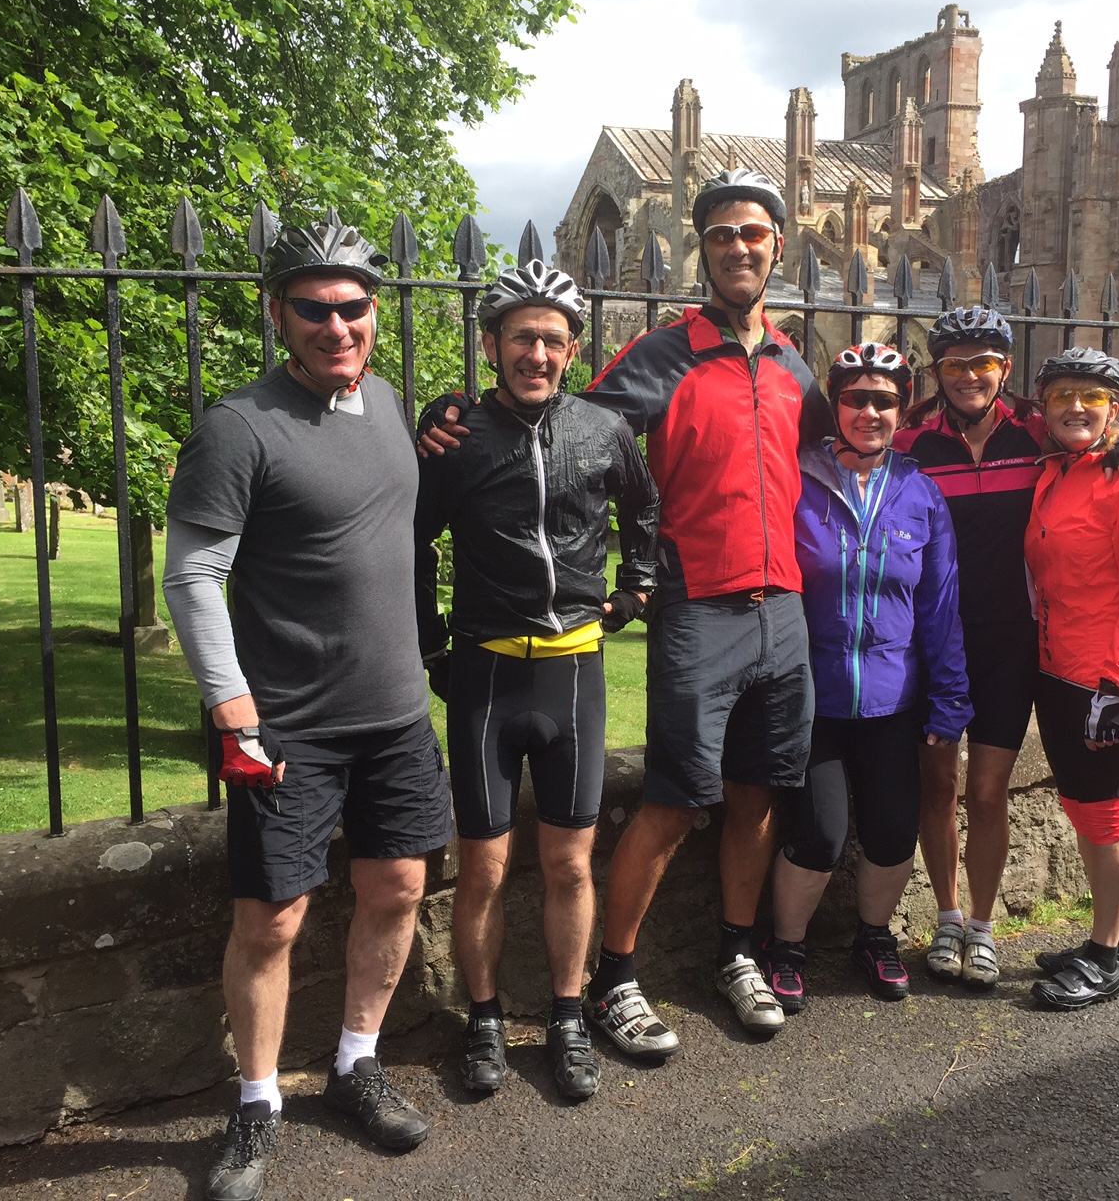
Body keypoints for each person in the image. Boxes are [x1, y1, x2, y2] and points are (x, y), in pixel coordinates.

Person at [420, 168, 829, 1054]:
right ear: (703, 249)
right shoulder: (664, 354)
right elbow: (564, 424)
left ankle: (734, 951)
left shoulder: (798, 363)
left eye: (754, 233)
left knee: (759, 797)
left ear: (777, 246)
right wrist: (457, 412)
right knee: (679, 800)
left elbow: (861, 437)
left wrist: (1113, 440)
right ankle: (616, 975)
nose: (739, 247)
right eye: (722, 234)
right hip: (699, 608)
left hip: (784, 609)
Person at [163, 215, 451, 1201]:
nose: (338, 326)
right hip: (285, 723)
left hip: (396, 718)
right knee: (274, 919)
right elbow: (194, 576)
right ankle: (256, 1103)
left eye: (355, 307)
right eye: (315, 308)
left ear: (376, 311)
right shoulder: (238, 427)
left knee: (399, 890)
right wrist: (233, 706)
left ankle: (356, 1063)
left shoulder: (388, 407)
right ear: (278, 313)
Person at [413, 260, 659, 1101]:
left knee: (568, 865)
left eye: (553, 339)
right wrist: (431, 646)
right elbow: (414, 541)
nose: (538, 353)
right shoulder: (457, 437)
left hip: (575, 674)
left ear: (573, 349)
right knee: (481, 868)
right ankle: (484, 1019)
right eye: (522, 337)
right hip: (484, 673)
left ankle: (564, 1015)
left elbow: (645, 511)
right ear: (492, 344)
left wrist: (637, 590)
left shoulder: (602, 429)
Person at [892, 308, 1119, 990]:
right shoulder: (915, 439)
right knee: (937, 784)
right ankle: (946, 918)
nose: (971, 375)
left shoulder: (1035, 429)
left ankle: (981, 926)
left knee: (985, 790)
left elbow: (1094, 426)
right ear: (937, 371)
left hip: (1013, 642)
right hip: (935, 640)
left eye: (984, 362)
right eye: (955, 363)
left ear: (1005, 370)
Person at [761, 344, 971, 1011]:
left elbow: (940, 604)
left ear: (902, 408)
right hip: (813, 694)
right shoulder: (798, 478)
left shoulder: (920, 493)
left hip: (893, 699)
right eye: (856, 398)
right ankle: (786, 947)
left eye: (884, 400)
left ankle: (873, 937)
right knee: (820, 834)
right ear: (836, 406)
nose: (870, 411)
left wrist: (949, 699)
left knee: (890, 830)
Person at [1022, 348, 1119, 1009]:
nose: (1075, 408)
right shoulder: (1057, 469)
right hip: (1058, 665)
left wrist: (1116, 690)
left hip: (1110, 677)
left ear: (1114, 407)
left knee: (1106, 814)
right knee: (1086, 810)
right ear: (1046, 408)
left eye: (1092, 398)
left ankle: (1106, 957)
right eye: (1062, 397)